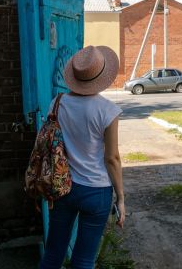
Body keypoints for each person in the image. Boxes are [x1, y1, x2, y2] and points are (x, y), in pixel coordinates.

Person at [39, 45, 125, 269]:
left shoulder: (57, 103)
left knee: (53, 253)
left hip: (63, 187)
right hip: (96, 191)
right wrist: (121, 198)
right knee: (84, 259)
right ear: (101, 76)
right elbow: (112, 158)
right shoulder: (108, 110)